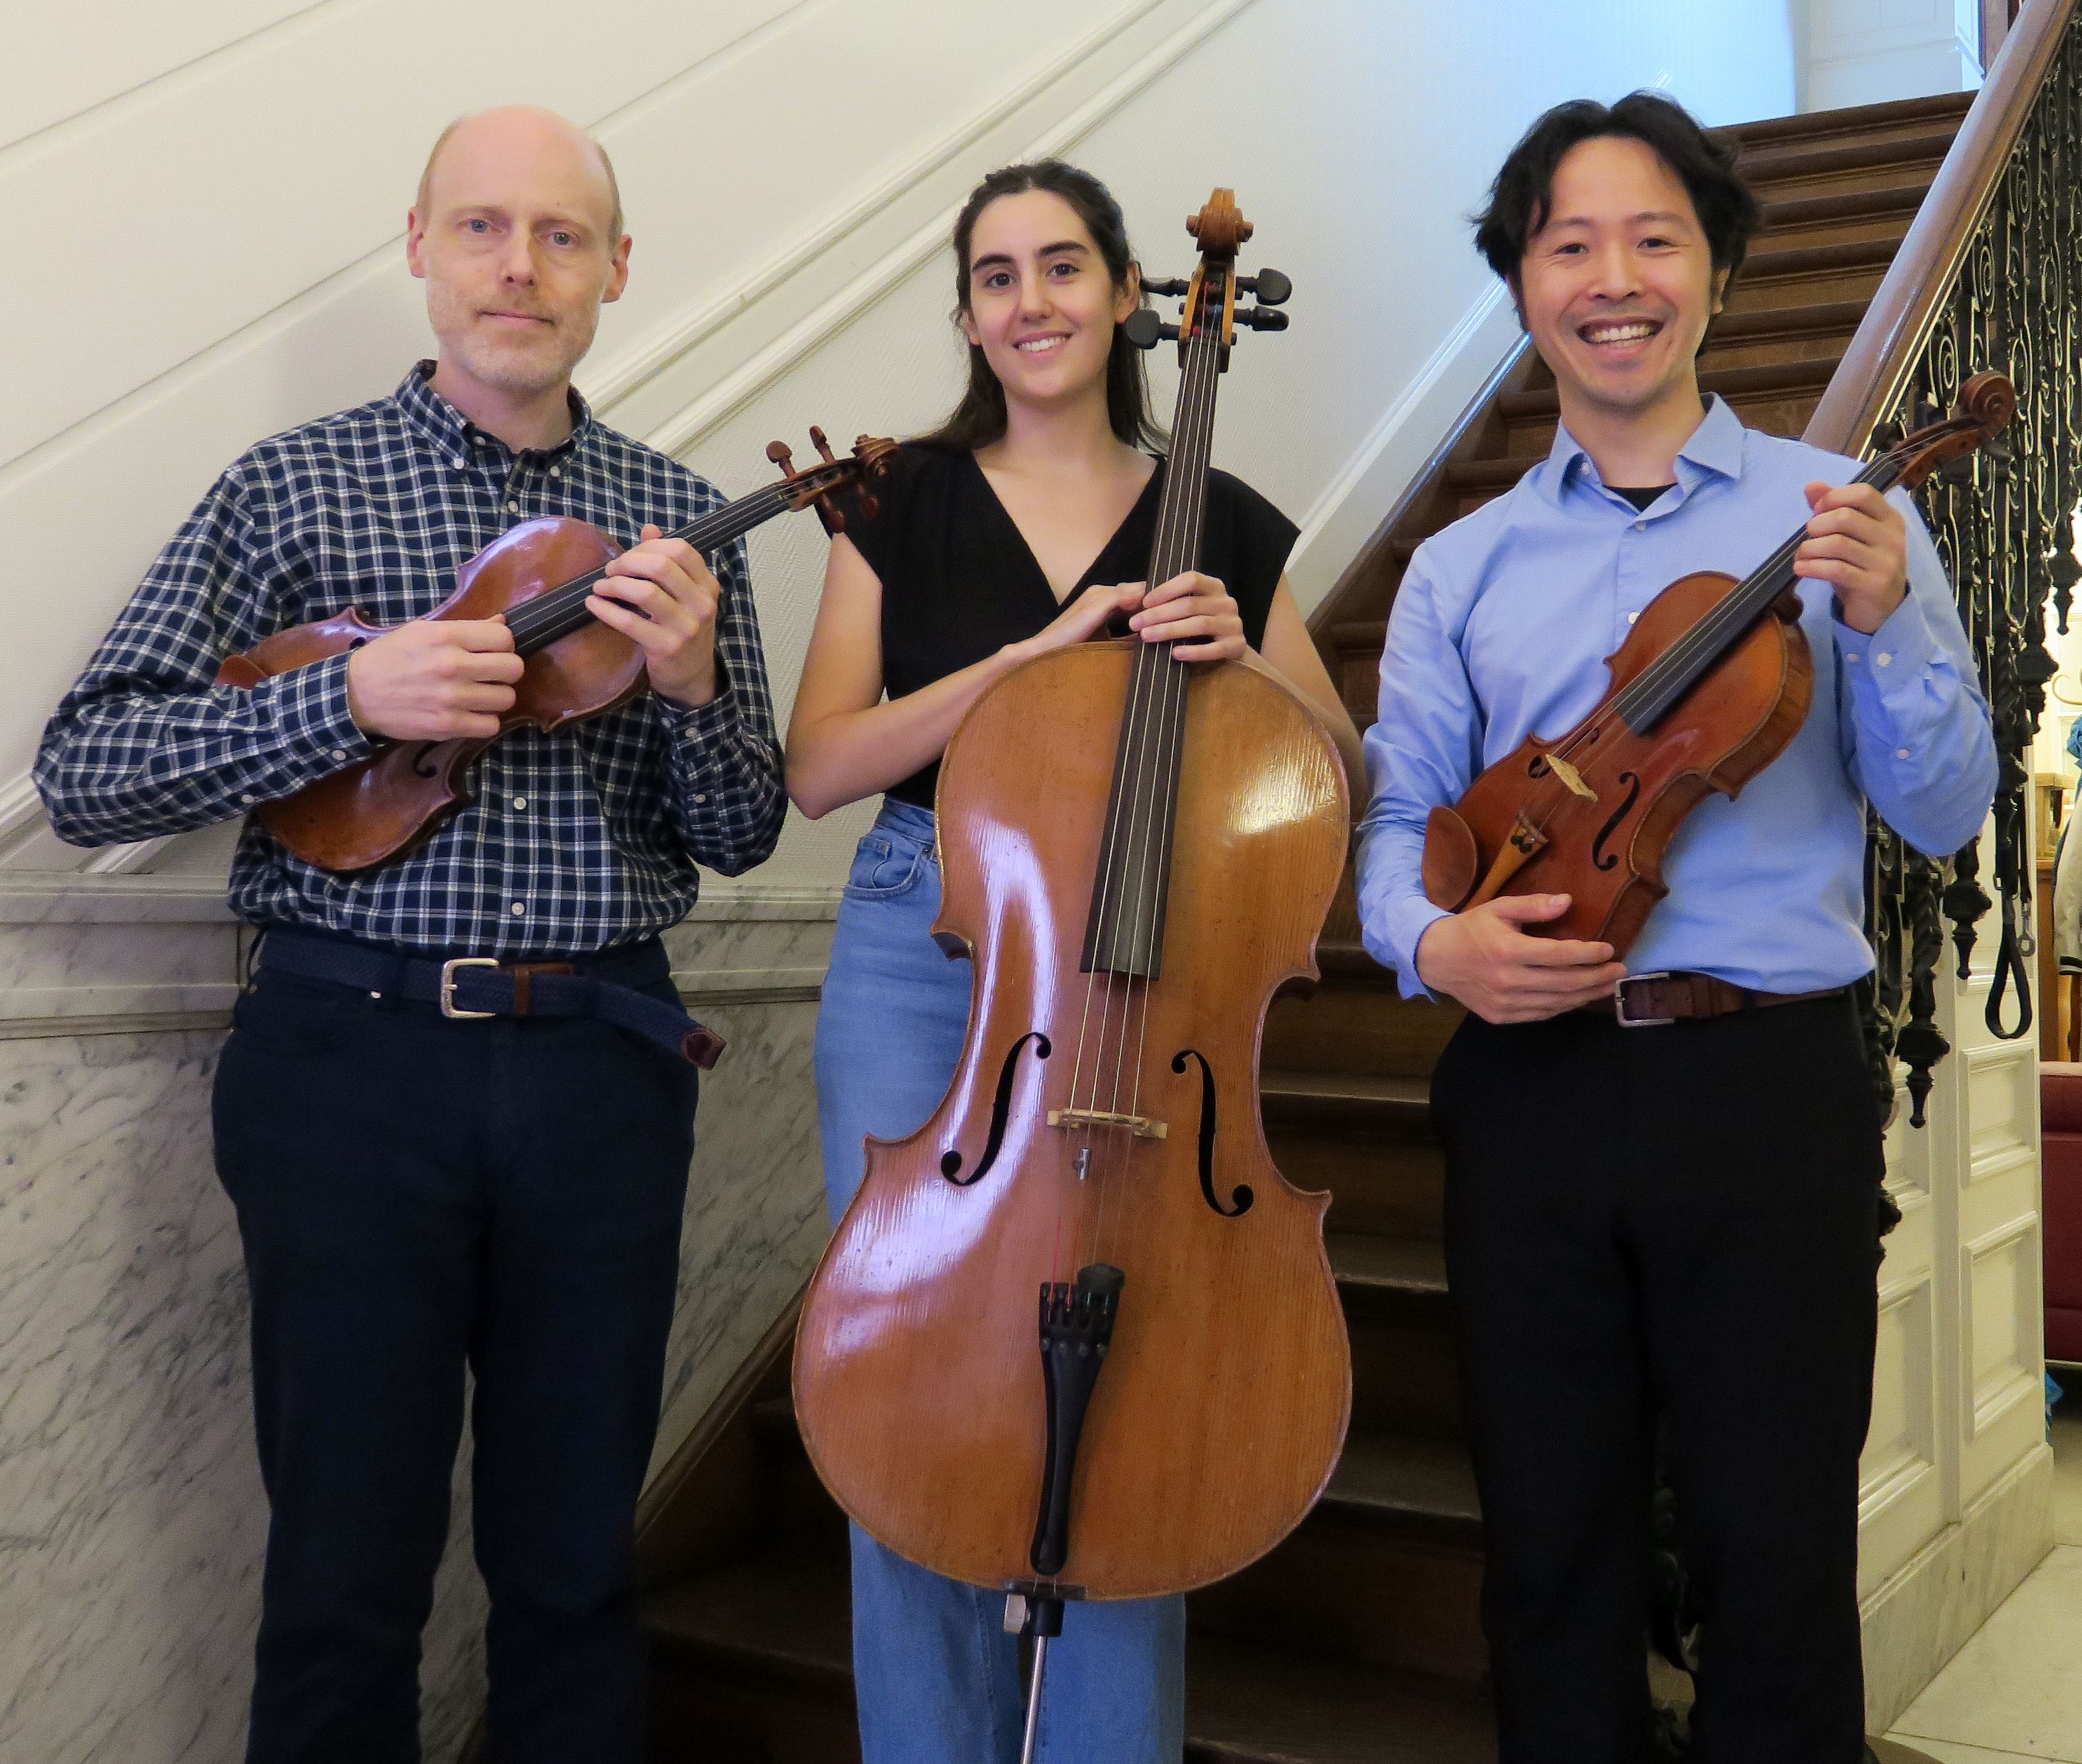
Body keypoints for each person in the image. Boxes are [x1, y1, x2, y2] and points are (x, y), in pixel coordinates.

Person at [36, 107, 786, 1763]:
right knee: (341, 1573)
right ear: (421, 246)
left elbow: (737, 833)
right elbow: (86, 768)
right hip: (346, 1069)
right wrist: (339, 697)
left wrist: (687, 687)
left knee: (578, 1566)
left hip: (602, 1066)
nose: (520, 265)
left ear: (614, 271)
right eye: (482, 227)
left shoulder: (671, 518)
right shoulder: (289, 485)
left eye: (562, 234)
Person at [1354, 92, 1997, 1763]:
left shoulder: (1839, 512)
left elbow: (1937, 812)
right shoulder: (1454, 568)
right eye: (1569, 243)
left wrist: (1881, 626)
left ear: (1714, 272)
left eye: (1655, 238)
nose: (1612, 277)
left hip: (1761, 1082)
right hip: (1528, 1087)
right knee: (1547, 1550)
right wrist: (1431, 949)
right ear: (1521, 286)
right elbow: (1391, 826)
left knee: (1771, 1550)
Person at [785, 157, 1363, 1763]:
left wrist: (1256, 662)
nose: (1029, 302)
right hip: (925, 941)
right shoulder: (894, 495)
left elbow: (1339, 768)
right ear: (967, 313)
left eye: (1060, 268)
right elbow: (822, 765)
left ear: (1129, 296)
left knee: (1141, 1397)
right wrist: (1023, 664)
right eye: (994, 276)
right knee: (899, 1383)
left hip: (1149, 971)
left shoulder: (1227, 527)